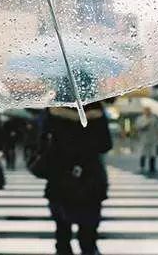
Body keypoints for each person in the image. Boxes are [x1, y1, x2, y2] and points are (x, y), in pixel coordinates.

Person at [41, 102, 112, 255]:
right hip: (90, 178)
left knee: (62, 236)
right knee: (88, 239)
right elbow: (106, 145)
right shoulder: (96, 110)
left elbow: (42, 141)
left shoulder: (53, 109)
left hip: (60, 176)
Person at [136, 107, 158, 173]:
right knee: (143, 153)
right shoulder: (140, 119)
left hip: (153, 139)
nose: (148, 112)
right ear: (144, 111)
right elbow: (139, 127)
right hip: (143, 139)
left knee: (153, 153)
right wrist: (146, 124)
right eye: (146, 111)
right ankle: (142, 167)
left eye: (149, 111)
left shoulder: (154, 119)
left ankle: (152, 167)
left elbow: (157, 128)